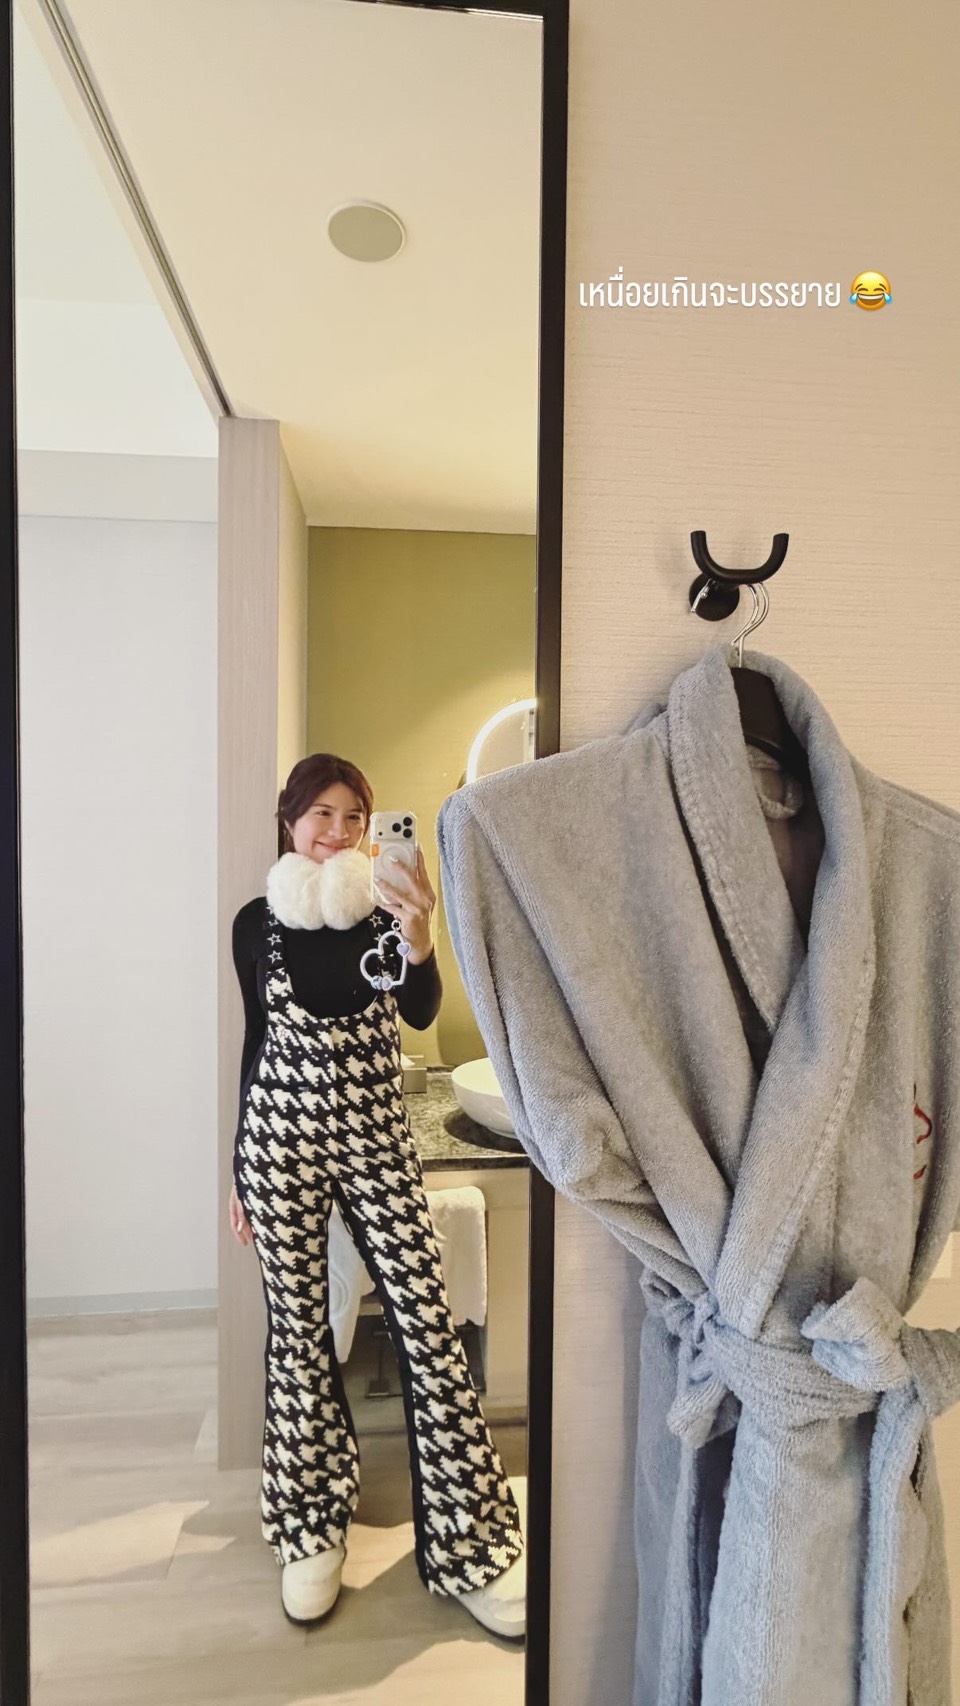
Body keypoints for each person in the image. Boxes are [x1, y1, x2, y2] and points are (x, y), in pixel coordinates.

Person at [229, 752, 525, 1637]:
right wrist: (237, 1168)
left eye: (353, 815)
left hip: (376, 1144)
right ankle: (309, 1524)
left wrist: (421, 933)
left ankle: (472, 1543)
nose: (338, 830)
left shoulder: (385, 914)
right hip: (276, 1143)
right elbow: (254, 1046)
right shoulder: (256, 925)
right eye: (321, 813)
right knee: (297, 1334)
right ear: (290, 820)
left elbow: (422, 1010)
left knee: (429, 1330)